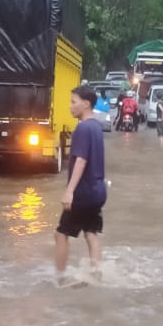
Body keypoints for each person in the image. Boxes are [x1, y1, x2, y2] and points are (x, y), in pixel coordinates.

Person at [56, 86, 106, 272]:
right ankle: (96, 273)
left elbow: (81, 161)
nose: (70, 106)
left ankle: (59, 279)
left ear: (86, 104)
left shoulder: (82, 128)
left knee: (60, 234)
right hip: (98, 192)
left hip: (83, 193)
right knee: (90, 233)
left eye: (73, 102)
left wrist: (69, 192)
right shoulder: (96, 127)